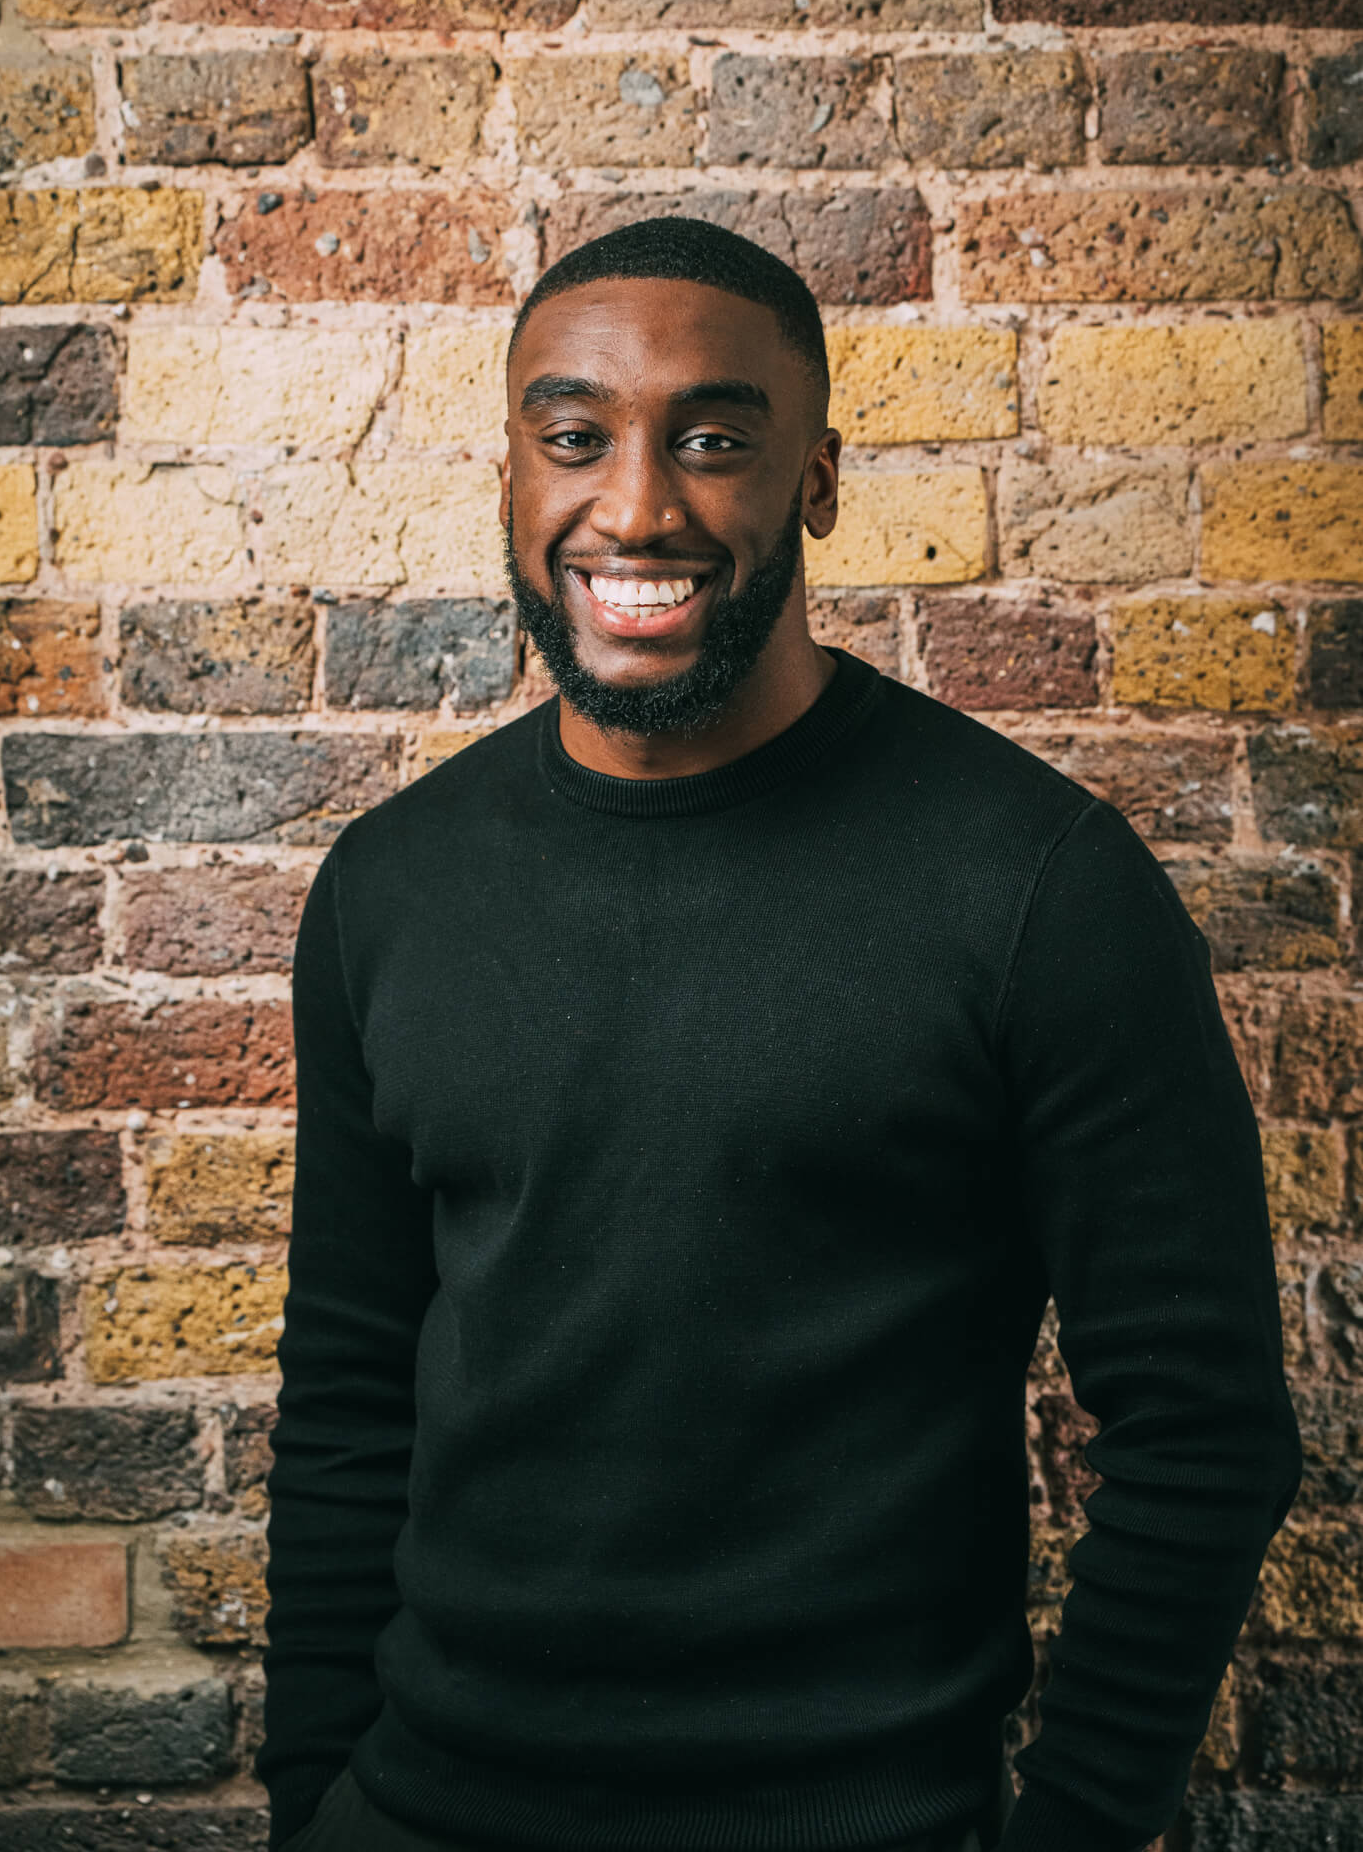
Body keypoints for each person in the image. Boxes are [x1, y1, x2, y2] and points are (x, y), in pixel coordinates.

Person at [256, 217, 1302, 1852]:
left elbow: (1201, 1430)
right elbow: (344, 1398)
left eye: (713, 442)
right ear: (513, 475)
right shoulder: (389, 885)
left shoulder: (1037, 886)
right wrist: (310, 1799)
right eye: (574, 438)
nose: (635, 508)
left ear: (814, 481)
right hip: (419, 1807)